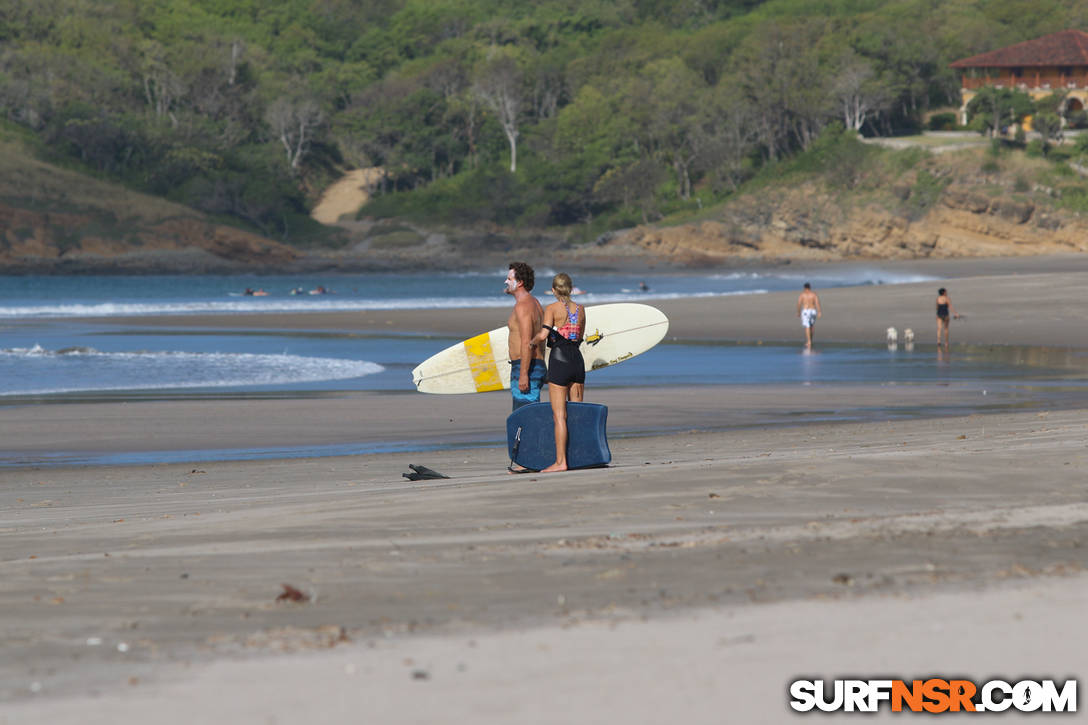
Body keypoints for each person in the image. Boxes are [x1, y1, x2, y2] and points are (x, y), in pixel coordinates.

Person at [530, 273, 586, 473]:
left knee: (559, 416)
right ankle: (580, 458)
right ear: (571, 289)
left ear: (553, 290)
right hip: (577, 361)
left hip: (560, 360)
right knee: (578, 414)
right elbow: (579, 337)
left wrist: (531, 342)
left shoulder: (552, 308)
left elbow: (544, 334)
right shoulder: (580, 309)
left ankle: (561, 462)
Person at [505, 262, 546, 412]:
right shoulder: (535, 303)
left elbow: (526, 341)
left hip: (526, 366)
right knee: (528, 414)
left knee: (524, 417)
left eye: (509, 279)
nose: (506, 282)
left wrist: (523, 374)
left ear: (520, 282)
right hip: (535, 364)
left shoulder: (523, 306)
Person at [796, 282, 822, 349]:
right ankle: (810, 340)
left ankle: (809, 341)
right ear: (810, 287)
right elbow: (817, 303)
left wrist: (798, 312)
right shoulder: (813, 295)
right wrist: (819, 312)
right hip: (813, 311)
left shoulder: (802, 295)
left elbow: (799, 304)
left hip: (806, 311)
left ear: (804, 288)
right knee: (812, 326)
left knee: (807, 327)